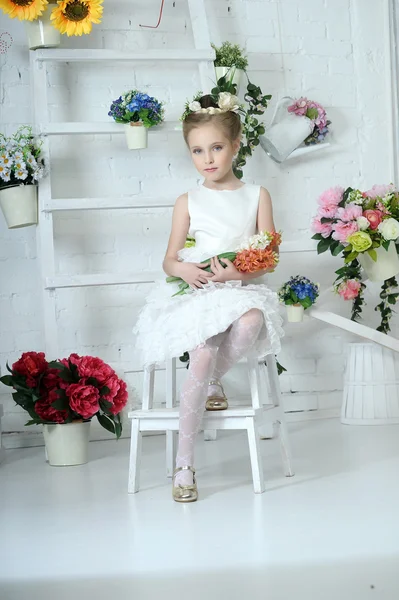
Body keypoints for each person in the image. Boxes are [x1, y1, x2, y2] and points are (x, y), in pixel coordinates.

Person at [133, 92, 283, 502]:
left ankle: (216, 379)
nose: (208, 159)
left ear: (236, 146)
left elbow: (268, 257)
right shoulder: (188, 200)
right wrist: (182, 268)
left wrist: (238, 271)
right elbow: (169, 259)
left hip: (239, 285)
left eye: (216, 147)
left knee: (251, 320)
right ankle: (185, 463)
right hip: (198, 288)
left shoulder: (256, 195)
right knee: (200, 351)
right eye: (197, 151)